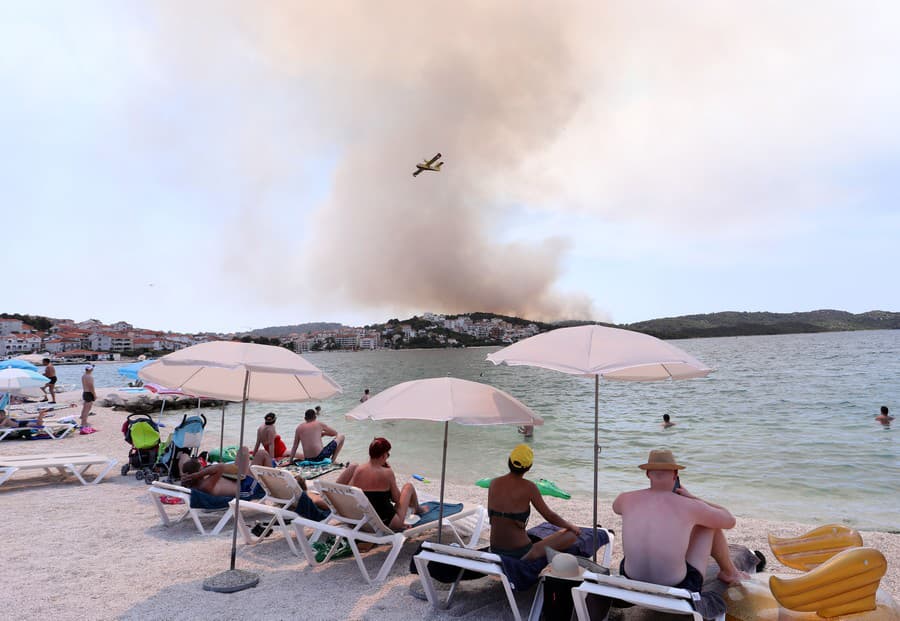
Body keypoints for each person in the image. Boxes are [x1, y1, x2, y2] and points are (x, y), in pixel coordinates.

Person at [612, 449, 747, 590]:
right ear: (675, 475)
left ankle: (728, 571)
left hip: (630, 579)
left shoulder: (624, 499)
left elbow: (616, 508)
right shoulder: (690, 505)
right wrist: (693, 498)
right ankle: (729, 572)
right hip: (679, 586)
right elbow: (730, 520)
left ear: (647, 474)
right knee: (708, 525)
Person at [487, 444, 581, 560]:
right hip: (522, 552)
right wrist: (571, 526)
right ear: (529, 467)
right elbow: (550, 516)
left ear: (509, 461)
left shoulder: (494, 483)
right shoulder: (529, 487)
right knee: (571, 535)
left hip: (495, 548)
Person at [336, 437, 425, 530]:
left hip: (363, 521)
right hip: (387, 522)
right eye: (387, 454)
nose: (387, 457)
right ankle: (418, 509)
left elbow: (352, 491)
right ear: (383, 455)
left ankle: (418, 508)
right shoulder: (387, 473)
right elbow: (397, 499)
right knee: (408, 487)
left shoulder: (359, 470)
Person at [180, 446, 269, 499]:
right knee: (262, 454)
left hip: (239, 479)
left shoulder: (197, 483)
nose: (204, 469)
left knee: (243, 450)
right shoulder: (205, 485)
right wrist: (198, 474)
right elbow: (220, 467)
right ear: (198, 473)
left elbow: (184, 456)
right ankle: (274, 489)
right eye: (202, 468)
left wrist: (187, 475)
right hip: (245, 488)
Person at [80, 364, 97, 434]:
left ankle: (83, 422)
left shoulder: (84, 376)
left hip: (85, 392)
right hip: (88, 393)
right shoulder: (89, 377)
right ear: (90, 369)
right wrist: (94, 394)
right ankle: (84, 423)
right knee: (87, 409)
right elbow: (91, 386)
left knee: (85, 408)